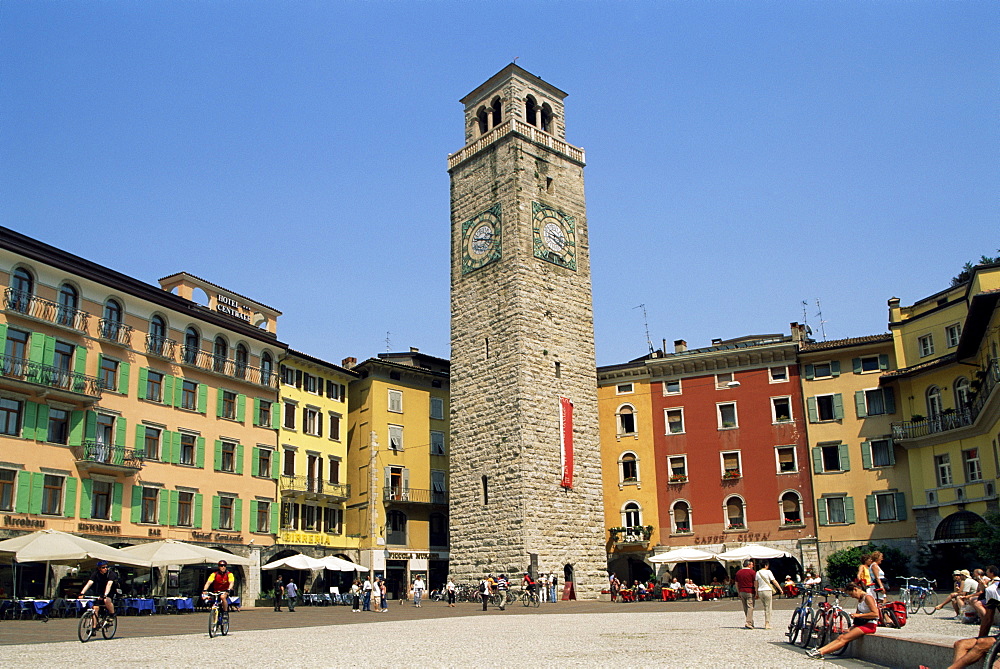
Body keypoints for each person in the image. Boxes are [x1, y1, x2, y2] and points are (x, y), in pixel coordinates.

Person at [807, 582, 879, 658]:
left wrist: (858, 615)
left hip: (869, 625)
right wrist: (852, 626)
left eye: (851, 594)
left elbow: (875, 614)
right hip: (861, 624)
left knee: (844, 639)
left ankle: (820, 653)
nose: (852, 597)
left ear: (855, 589)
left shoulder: (868, 597)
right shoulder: (860, 600)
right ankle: (818, 650)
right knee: (840, 637)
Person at [948, 565, 1000, 668]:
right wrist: (981, 638)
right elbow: (988, 619)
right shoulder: (992, 590)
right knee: (960, 644)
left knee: (983, 645)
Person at [754, 559, 782, 630]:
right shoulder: (768, 572)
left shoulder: (758, 573)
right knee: (768, 607)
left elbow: (756, 584)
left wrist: (756, 593)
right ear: (766, 565)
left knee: (765, 607)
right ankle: (767, 623)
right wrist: (780, 589)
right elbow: (774, 581)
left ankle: (767, 622)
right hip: (767, 590)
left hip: (760, 591)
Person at [735, 558, 757, 629]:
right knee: (750, 607)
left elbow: (736, 583)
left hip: (741, 591)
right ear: (748, 565)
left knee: (745, 607)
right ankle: (748, 622)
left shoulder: (738, 572)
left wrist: (738, 592)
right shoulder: (752, 572)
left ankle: (750, 622)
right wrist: (756, 591)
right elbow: (755, 582)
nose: (752, 566)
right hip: (750, 590)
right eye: (752, 564)